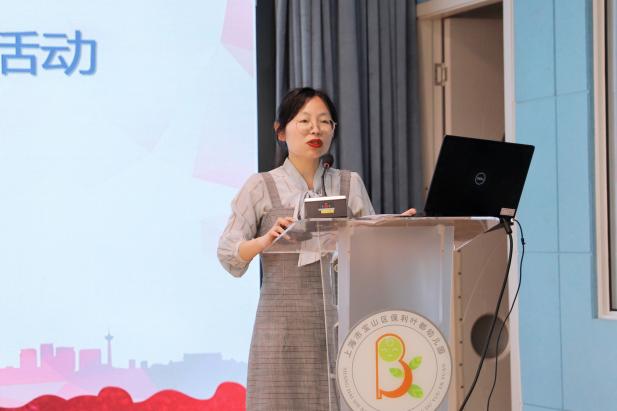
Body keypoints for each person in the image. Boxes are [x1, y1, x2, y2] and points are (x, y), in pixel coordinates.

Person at [217, 87, 415, 410]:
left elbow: (371, 254)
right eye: (304, 121)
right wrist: (265, 241)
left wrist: (392, 229)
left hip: (342, 325)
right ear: (281, 131)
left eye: (325, 122)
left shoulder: (349, 183)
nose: (316, 130)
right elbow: (228, 253)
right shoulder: (260, 185)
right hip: (281, 328)